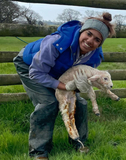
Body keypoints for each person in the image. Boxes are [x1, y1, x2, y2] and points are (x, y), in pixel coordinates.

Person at [13, 12, 116, 160]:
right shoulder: (57, 42)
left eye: (97, 39)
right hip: (30, 66)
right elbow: (36, 73)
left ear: (100, 44)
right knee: (48, 102)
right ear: (82, 31)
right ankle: (39, 151)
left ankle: (79, 143)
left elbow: (82, 81)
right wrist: (61, 86)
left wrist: (79, 87)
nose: (90, 41)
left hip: (59, 71)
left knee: (79, 102)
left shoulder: (94, 58)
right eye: (88, 33)